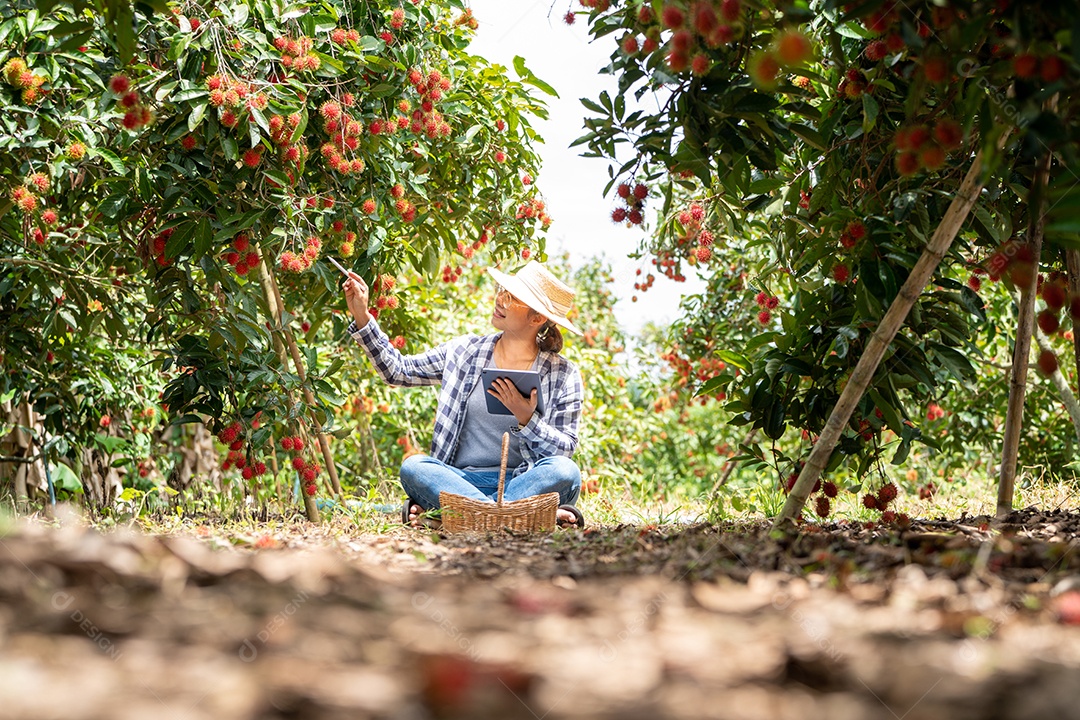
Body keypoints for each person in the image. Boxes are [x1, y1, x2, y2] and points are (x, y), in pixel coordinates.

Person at [342, 260, 586, 528]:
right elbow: (399, 371)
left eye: (511, 298)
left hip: (524, 481)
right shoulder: (464, 351)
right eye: (501, 291)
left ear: (537, 318)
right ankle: (511, 516)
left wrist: (528, 420)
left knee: (566, 472)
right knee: (414, 467)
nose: (500, 300)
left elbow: (564, 451)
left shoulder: (564, 374)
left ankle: (462, 516)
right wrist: (362, 316)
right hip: (460, 480)